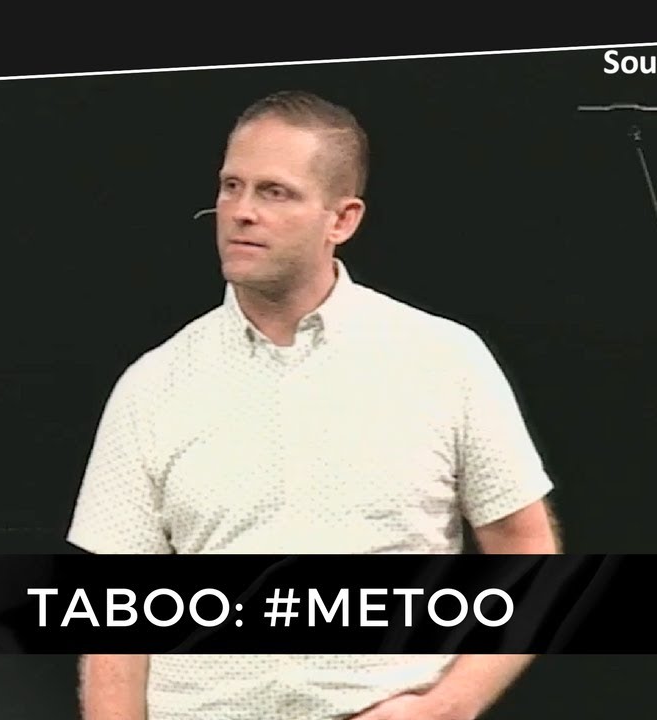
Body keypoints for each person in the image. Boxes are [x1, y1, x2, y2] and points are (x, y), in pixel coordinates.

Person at [67, 89, 560, 720]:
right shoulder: (153, 385)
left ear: (342, 220)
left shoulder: (443, 360)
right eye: (231, 186)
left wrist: (446, 707)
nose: (242, 212)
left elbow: (527, 554)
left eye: (275, 192)